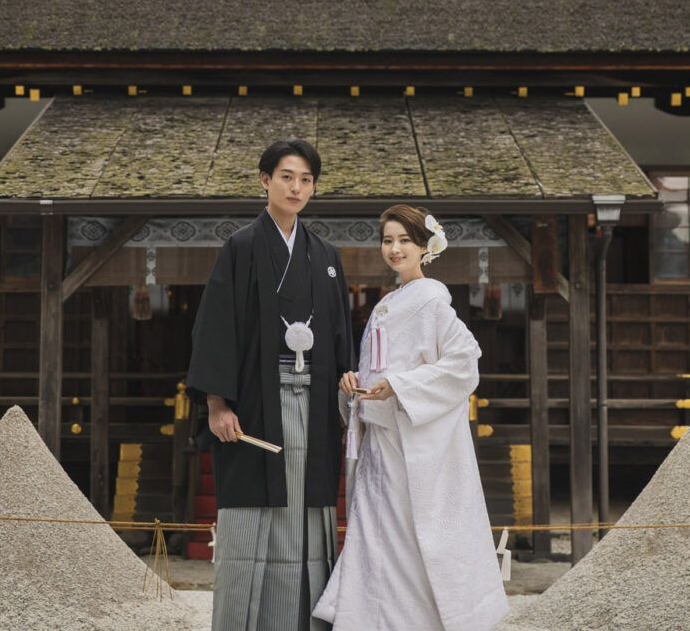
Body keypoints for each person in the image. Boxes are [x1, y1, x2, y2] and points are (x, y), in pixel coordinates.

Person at [313, 204, 508, 631]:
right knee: (378, 539)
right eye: (388, 240)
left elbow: (464, 364)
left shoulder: (432, 300)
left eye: (405, 240)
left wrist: (399, 386)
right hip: (381, 443)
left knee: (412, 541)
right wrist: (354, 384)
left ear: (424, 246)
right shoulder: (390, 302)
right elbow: (376, 371)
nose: (395, 248)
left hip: (411, 446)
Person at [187, 138, 354, 631]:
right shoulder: (240, 247)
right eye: (286, 176)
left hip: (317, 402)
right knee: (256, 517)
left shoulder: (324, 254)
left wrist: (349, 391)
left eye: (305, 179)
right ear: (265, 180)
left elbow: (342, 333)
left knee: (308, 515)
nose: (296, 187)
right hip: (259, 404)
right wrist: (217, 405)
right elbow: (216, 328)